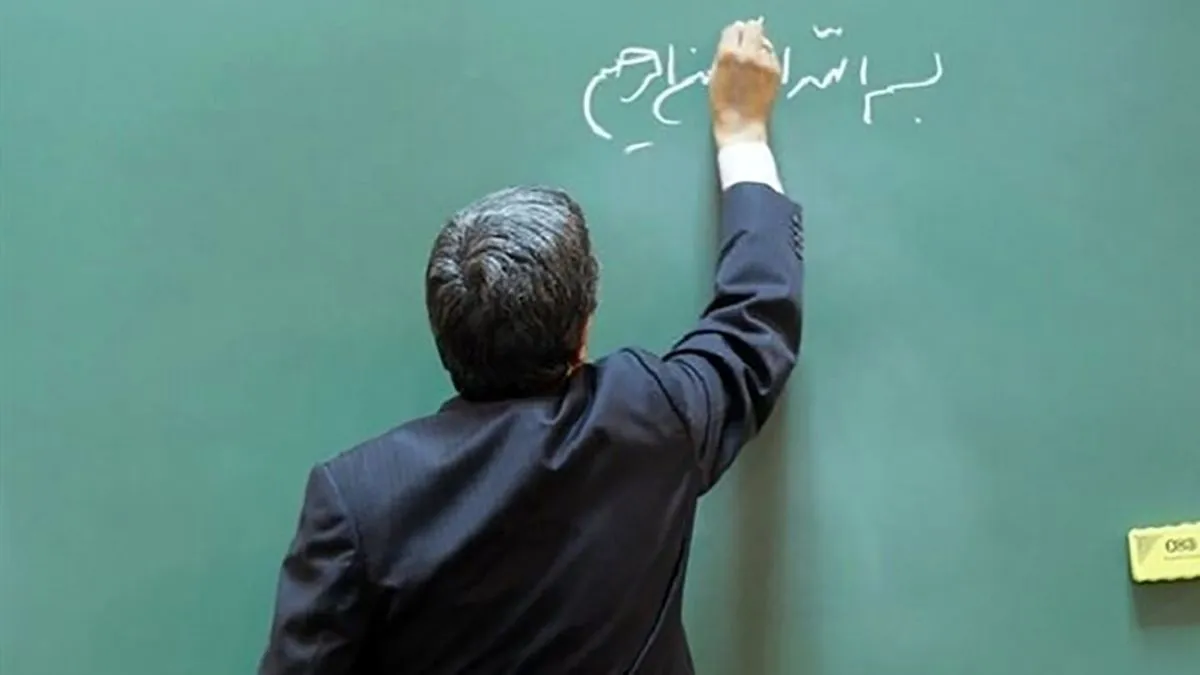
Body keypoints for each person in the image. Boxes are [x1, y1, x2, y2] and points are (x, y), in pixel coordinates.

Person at [259, 17, 803, 675]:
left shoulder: (359, 500)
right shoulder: (649, 418)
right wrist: (742, 136)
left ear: (443, 329)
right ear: (583, 329)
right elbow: (755, 322)